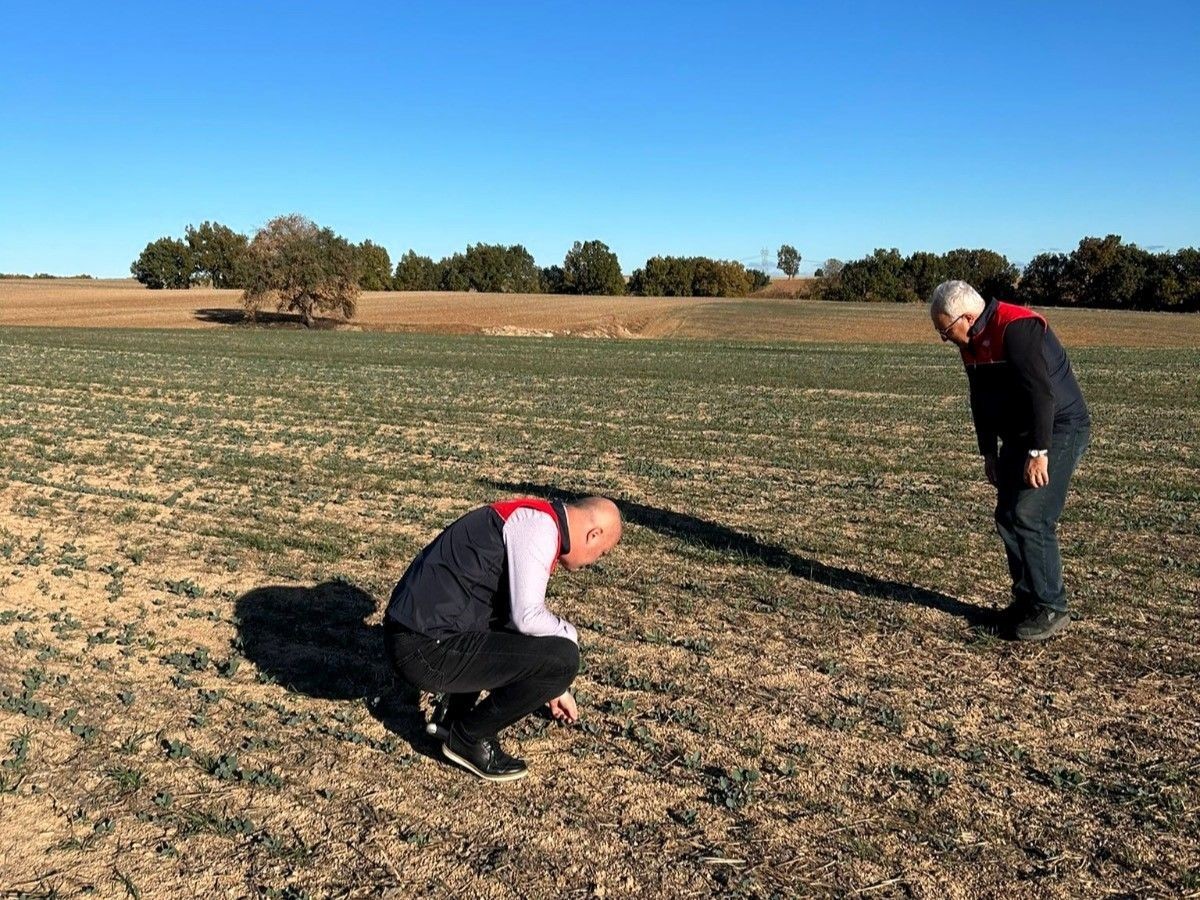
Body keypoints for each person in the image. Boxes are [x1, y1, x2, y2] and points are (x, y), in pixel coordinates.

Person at [384, 495, 622, 781]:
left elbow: (510, 621)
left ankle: (452, 718)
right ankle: (469, 737)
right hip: (424, 650)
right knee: (564, 657)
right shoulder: (539, 528)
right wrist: (569, 641)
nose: (595, 561)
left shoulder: (532, 517)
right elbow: (527, 617)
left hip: (420, 637)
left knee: (519, 632)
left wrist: (553, 689)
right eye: (602, 553)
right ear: (593, 535)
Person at [929, 280, 1091, 641]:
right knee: (1006, 515)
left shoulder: (1017, 327)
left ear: (967, 318)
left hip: (1058, 428)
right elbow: (979, 397)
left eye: (945, 331)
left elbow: (1041, 394)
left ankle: (1051, 607)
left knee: (1031, 515)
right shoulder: (971, 343)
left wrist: (1039, 453)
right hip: (1018, 435)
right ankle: (1026, 602)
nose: (944, 339)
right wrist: (988, 451)